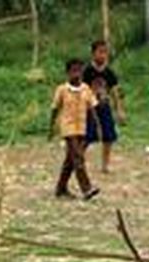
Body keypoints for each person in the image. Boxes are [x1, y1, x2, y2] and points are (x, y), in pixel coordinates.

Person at [49, 58, 100, 200]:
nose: (76, 74)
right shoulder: (62, 90)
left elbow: (92, 108)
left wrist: (97, 126)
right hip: (68, 128)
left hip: (81, 128)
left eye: (79, 71)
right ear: (68, 73)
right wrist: (51, 128)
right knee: (78, 157)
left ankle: (61, 188)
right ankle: (86, 188)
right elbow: (55, 109)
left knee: (70, 160)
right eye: (73, 71)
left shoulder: (86, 89)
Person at [83, 40, 126, 174]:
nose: (103, 55)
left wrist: (119, 110)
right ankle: (77, 160)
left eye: (105, 52)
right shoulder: (87, 71)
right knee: (87, 136)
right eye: (100, 52)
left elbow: (114, 92)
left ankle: (105, 165)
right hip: (89, 108)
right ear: (93, 53)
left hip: (104, 106)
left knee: (109, 136)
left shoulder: (109, 72)